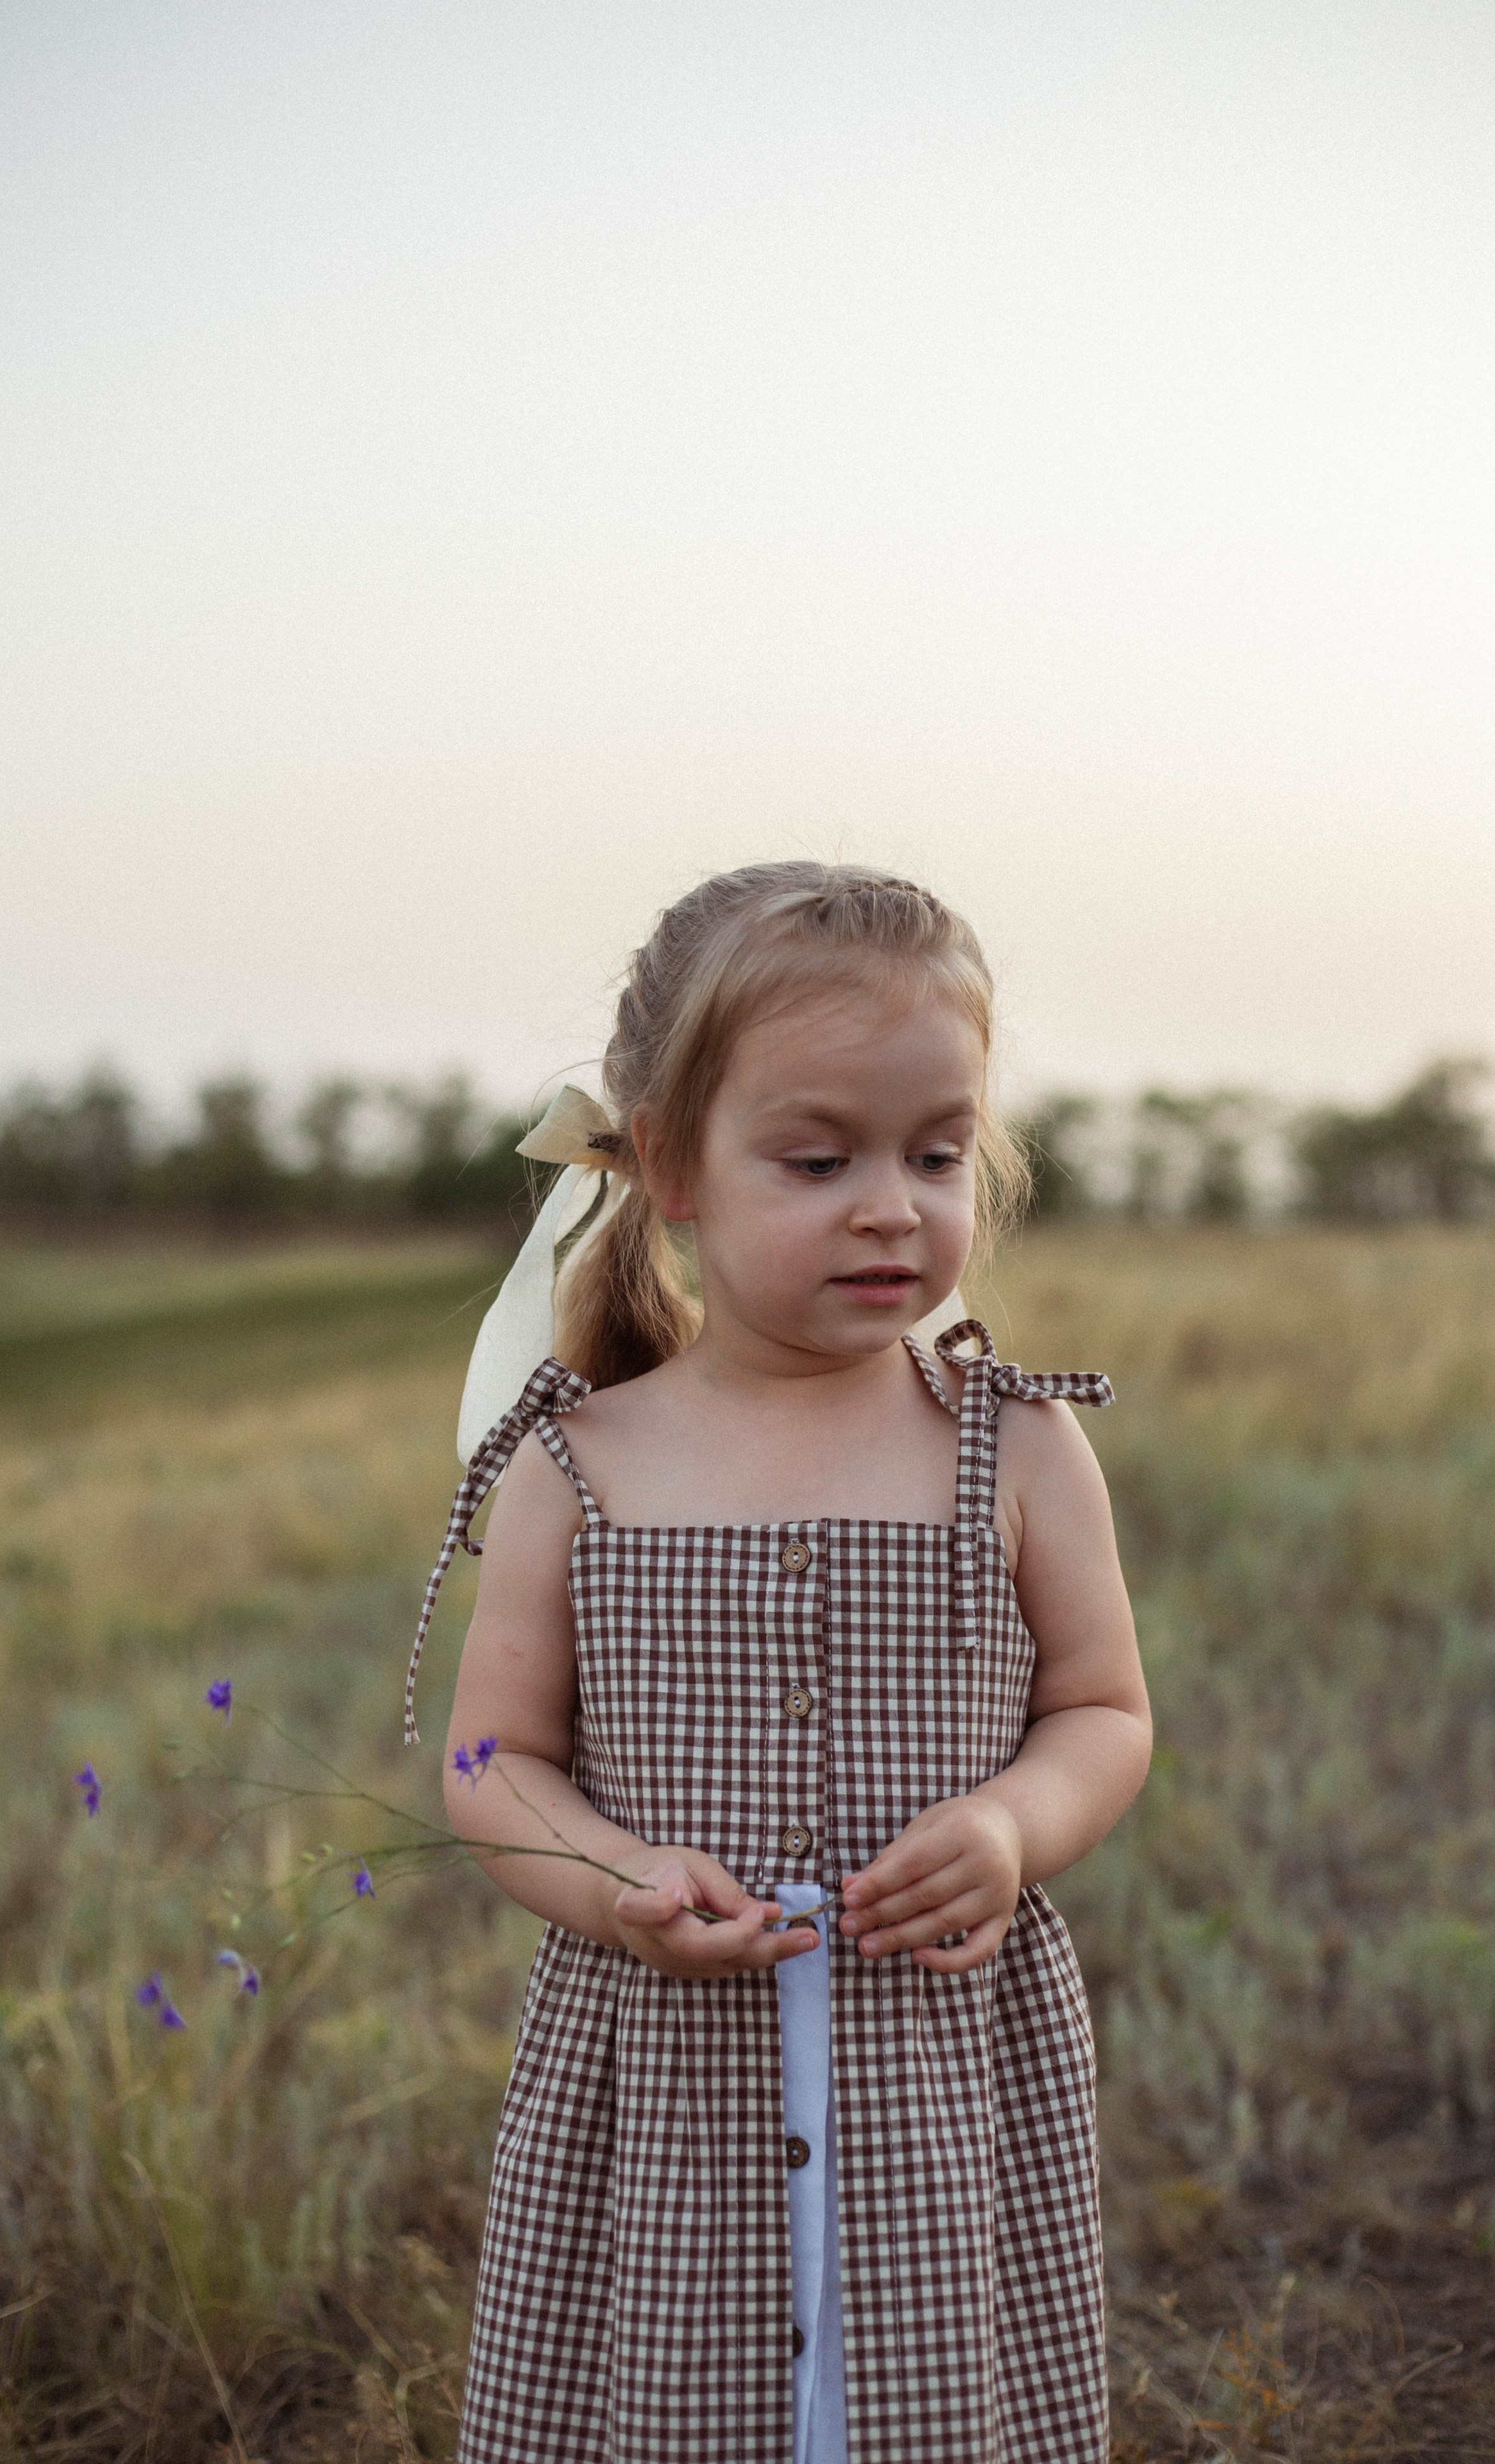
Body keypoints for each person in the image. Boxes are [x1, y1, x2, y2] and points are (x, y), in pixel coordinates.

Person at [407, 862, 1150, 2464]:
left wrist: (1018, 1825)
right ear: (668, 1166)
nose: (892, 1203)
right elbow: (487, 1766)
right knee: (681, 2405)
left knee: (928, 2408)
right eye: (818, 1159)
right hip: (672, 2068)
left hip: (933, 2069)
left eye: (936, 1153)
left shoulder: (1012, 1445)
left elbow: (1101, 1710)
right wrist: (611, 1881)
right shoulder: (576, 1462)